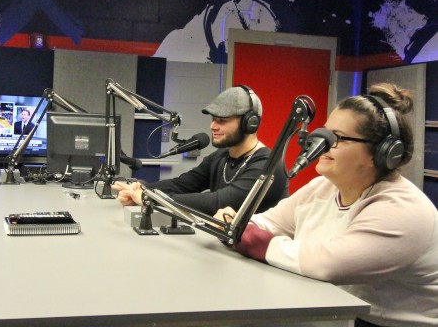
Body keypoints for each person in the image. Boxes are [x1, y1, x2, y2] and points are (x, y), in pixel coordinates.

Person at [216, 83, 437, 327]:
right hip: (338, 312)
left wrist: (249, 236)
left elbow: (327, 263)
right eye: (325, 133)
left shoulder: (402, 209)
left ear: (381, 153)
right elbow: (268, 222)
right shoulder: (321, 187)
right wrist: (237, 223)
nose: (321, 143)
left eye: (338, 138)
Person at [112, 85, 288, 216]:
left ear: (250, 123)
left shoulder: (268, 165)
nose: (213, 126)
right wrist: (142, 189)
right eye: (213, 119)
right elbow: (183, 184)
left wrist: (149, 198)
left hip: (256, 263)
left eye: (222, 120)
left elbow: (218, 203)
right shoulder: (221, 157)